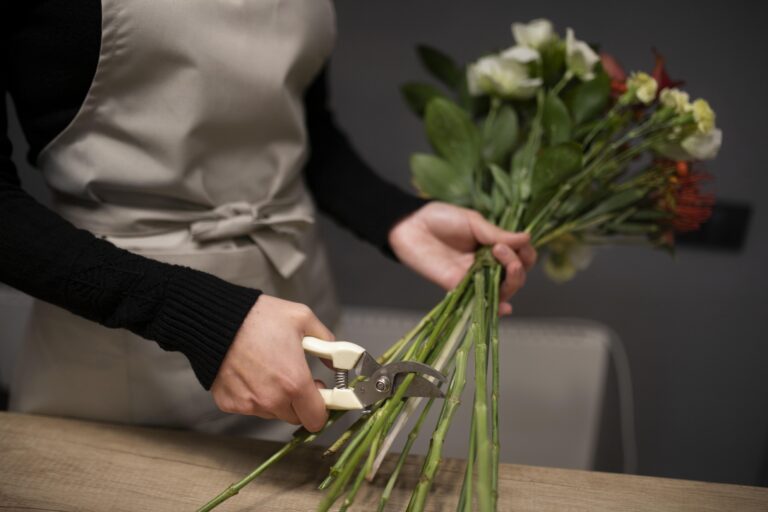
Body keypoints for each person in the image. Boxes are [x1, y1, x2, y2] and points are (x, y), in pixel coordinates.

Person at [0, 1, 536, 436]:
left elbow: (303, 131)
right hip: (119, 359)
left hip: (297, 324)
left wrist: (396, 217)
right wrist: (200, 317)